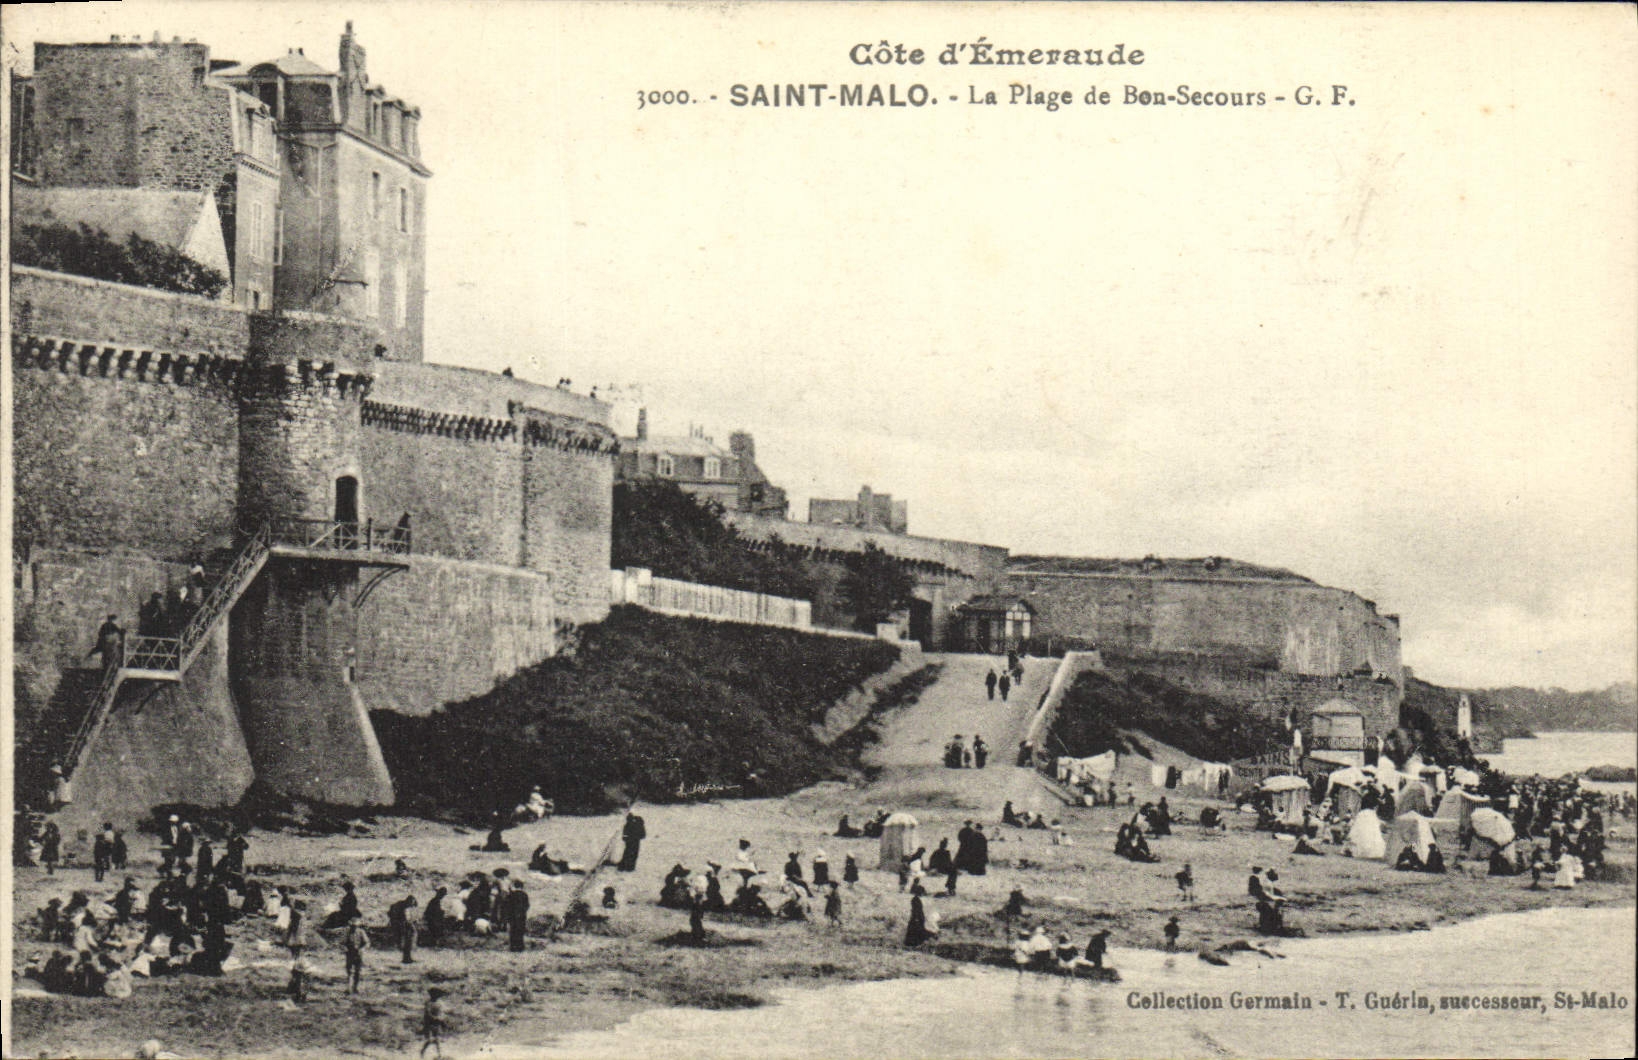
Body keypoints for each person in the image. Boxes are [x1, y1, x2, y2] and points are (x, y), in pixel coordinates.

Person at [343, 915, 369, 994]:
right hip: (350, 953)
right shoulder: (347, 932)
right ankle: (349, 988)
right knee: (349, 971)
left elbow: (367, 943)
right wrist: (344, 948)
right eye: (352, 926)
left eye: (355, 926)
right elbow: (342, 942)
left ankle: (355, 987)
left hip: (358, 954)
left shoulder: (361, 932)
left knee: (357, 971)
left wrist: (362, 949)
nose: (354, 927)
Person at [390, 893, 420, 962]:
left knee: (409, 941)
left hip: (404, 925)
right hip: (401, 926)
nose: (411, 906)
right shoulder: (401, 907)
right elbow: (404, 919)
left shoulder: (405, 906)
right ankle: (406, 958)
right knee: (406, 942)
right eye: (411, 904)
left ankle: (408, 957)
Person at [501, 879, 529, 952]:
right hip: (522, 916)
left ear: (514, 886)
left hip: (512, 916)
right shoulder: (524, 895)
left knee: (513, 931)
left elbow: (506, 905)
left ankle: (513, 947)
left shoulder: (511, 895)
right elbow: (527, 905)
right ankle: (520, 947)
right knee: (520, 931)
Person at [421, 987, 449, 1059]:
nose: (435, 995)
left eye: (437, 994)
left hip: (437, 1023)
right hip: (429, 1023)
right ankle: (423, 1051)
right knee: (430, 1040)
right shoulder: (428, 1003)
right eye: (434, 994)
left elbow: (442, 1012)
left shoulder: (440, 1003)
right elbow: (427, 1013)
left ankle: (440, 1055)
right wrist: (433, 1018)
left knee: (437, 1039)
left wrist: (441, 1018)